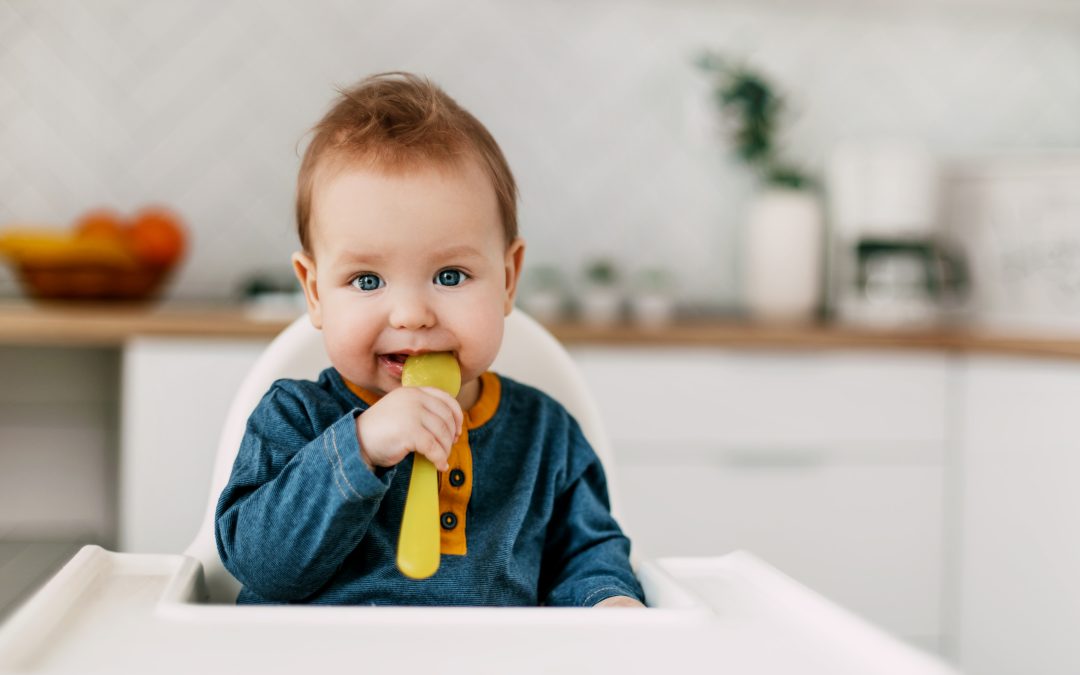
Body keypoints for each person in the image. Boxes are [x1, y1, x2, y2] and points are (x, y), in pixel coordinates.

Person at [215, 72, 644, 608]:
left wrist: (608, 600)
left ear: (508, 279)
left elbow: (589, 555)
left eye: (449, 276)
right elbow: (259, 566)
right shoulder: (294, 419)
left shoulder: (546, 437)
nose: (412, 315)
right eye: (367, 281)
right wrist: (361, 448)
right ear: (315, 291)